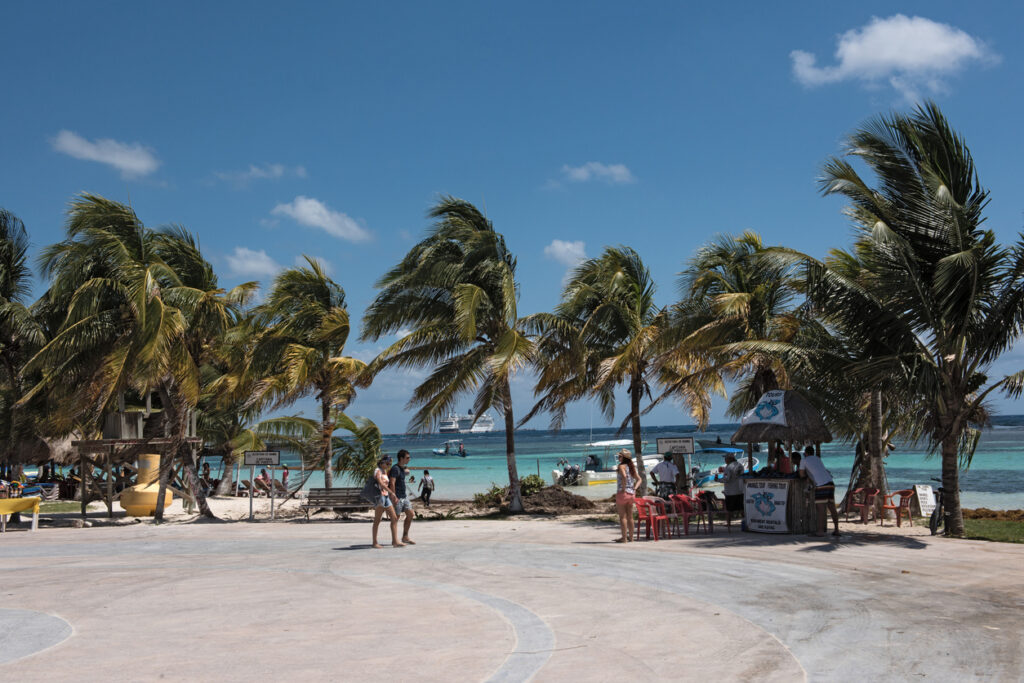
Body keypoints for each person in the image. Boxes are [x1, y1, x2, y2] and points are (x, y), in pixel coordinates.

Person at [799, 445, 840, 537]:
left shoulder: (804, 460)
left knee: (820, 509)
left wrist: (807, 477)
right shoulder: (817, 458)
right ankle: (836, 530)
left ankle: (820, 531)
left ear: (805, 453)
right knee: (832, 507)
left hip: (821, 485)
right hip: (830, 483)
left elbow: (801, 474)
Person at [371, 455, 404, 548]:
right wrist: (392, 492)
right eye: (387, 463)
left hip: (386, 497)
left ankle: (395, 541)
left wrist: (391, 495)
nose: (388, 465)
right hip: (379, 497)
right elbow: (380, 484)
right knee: (377, 520)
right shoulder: (377, 471)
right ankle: (374, 542)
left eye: (390, 463)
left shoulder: (384, 472)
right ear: (382, 462)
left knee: (394, 518)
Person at [389, 450, 415, 545]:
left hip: (404, 496)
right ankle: (395, 541)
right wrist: (393, 496)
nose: (409, 459)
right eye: (407, 457)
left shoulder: (402, 468)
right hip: (398, 497)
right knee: (396, 518)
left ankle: (405, 537)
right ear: (401, 458)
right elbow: (392, 482)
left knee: (411, 514)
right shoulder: (395, 469)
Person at [614, 449, 637, 543]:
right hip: (631, 494)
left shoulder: (621, 466)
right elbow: (638, 479)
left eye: (620, 456)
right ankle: (631, 538)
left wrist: (623, 488)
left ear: (623, 458)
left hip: (623, 493)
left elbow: (624, 476)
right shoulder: (631, 467)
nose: (619, 458)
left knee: (622, 517)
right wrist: (634, 488)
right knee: (630, 517)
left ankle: (624, 538)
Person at [718, 452, 745, 530]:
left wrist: (718, 480)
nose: (725, 460)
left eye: (725, 458)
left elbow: (726, 479)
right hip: (740, 490)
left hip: (730, 492)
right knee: (741, 508)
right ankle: (745, 522)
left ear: (729, 459)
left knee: (729, 509)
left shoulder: (729, 467)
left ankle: (729, 524)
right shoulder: (740, 465)